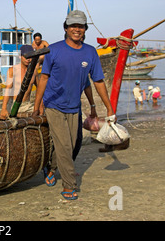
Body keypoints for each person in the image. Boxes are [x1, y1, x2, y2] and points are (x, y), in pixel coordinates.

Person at [32, 10, 114, 200]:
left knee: (74, 146)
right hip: (53, 104)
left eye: (81, 26)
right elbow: (43, 78)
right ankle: (69, 185)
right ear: (66, 28)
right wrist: (38, 105)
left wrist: (106, 107)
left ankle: (50, 168)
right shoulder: (54, 50)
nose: (77, 29)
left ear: (85, 29)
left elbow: (96, 81)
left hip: (74, 106)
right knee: (64, 146)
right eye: (73, 26)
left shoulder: (90, 52)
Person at [0, 45, 40, 119]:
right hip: (15, 105)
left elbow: (40, 89)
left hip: (28, 105)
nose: (28, 59)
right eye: (26, 57)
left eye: (30, 57)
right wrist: (4, 108)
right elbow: (8, 89)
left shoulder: (34, 72)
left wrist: (39, 107)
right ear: (20, 56)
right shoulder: (13, 70)